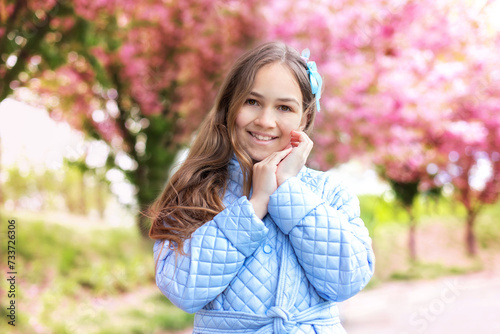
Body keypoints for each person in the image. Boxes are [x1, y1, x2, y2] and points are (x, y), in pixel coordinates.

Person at [149, 41, 375, 334]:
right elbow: (183, 289)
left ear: (305, 117)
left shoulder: (329, 192)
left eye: (284, 107)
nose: (266, 121)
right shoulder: (197, 188)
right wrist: (257, 203)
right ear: (231, 105)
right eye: (252, 102)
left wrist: (288, 190)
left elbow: (347, 280)